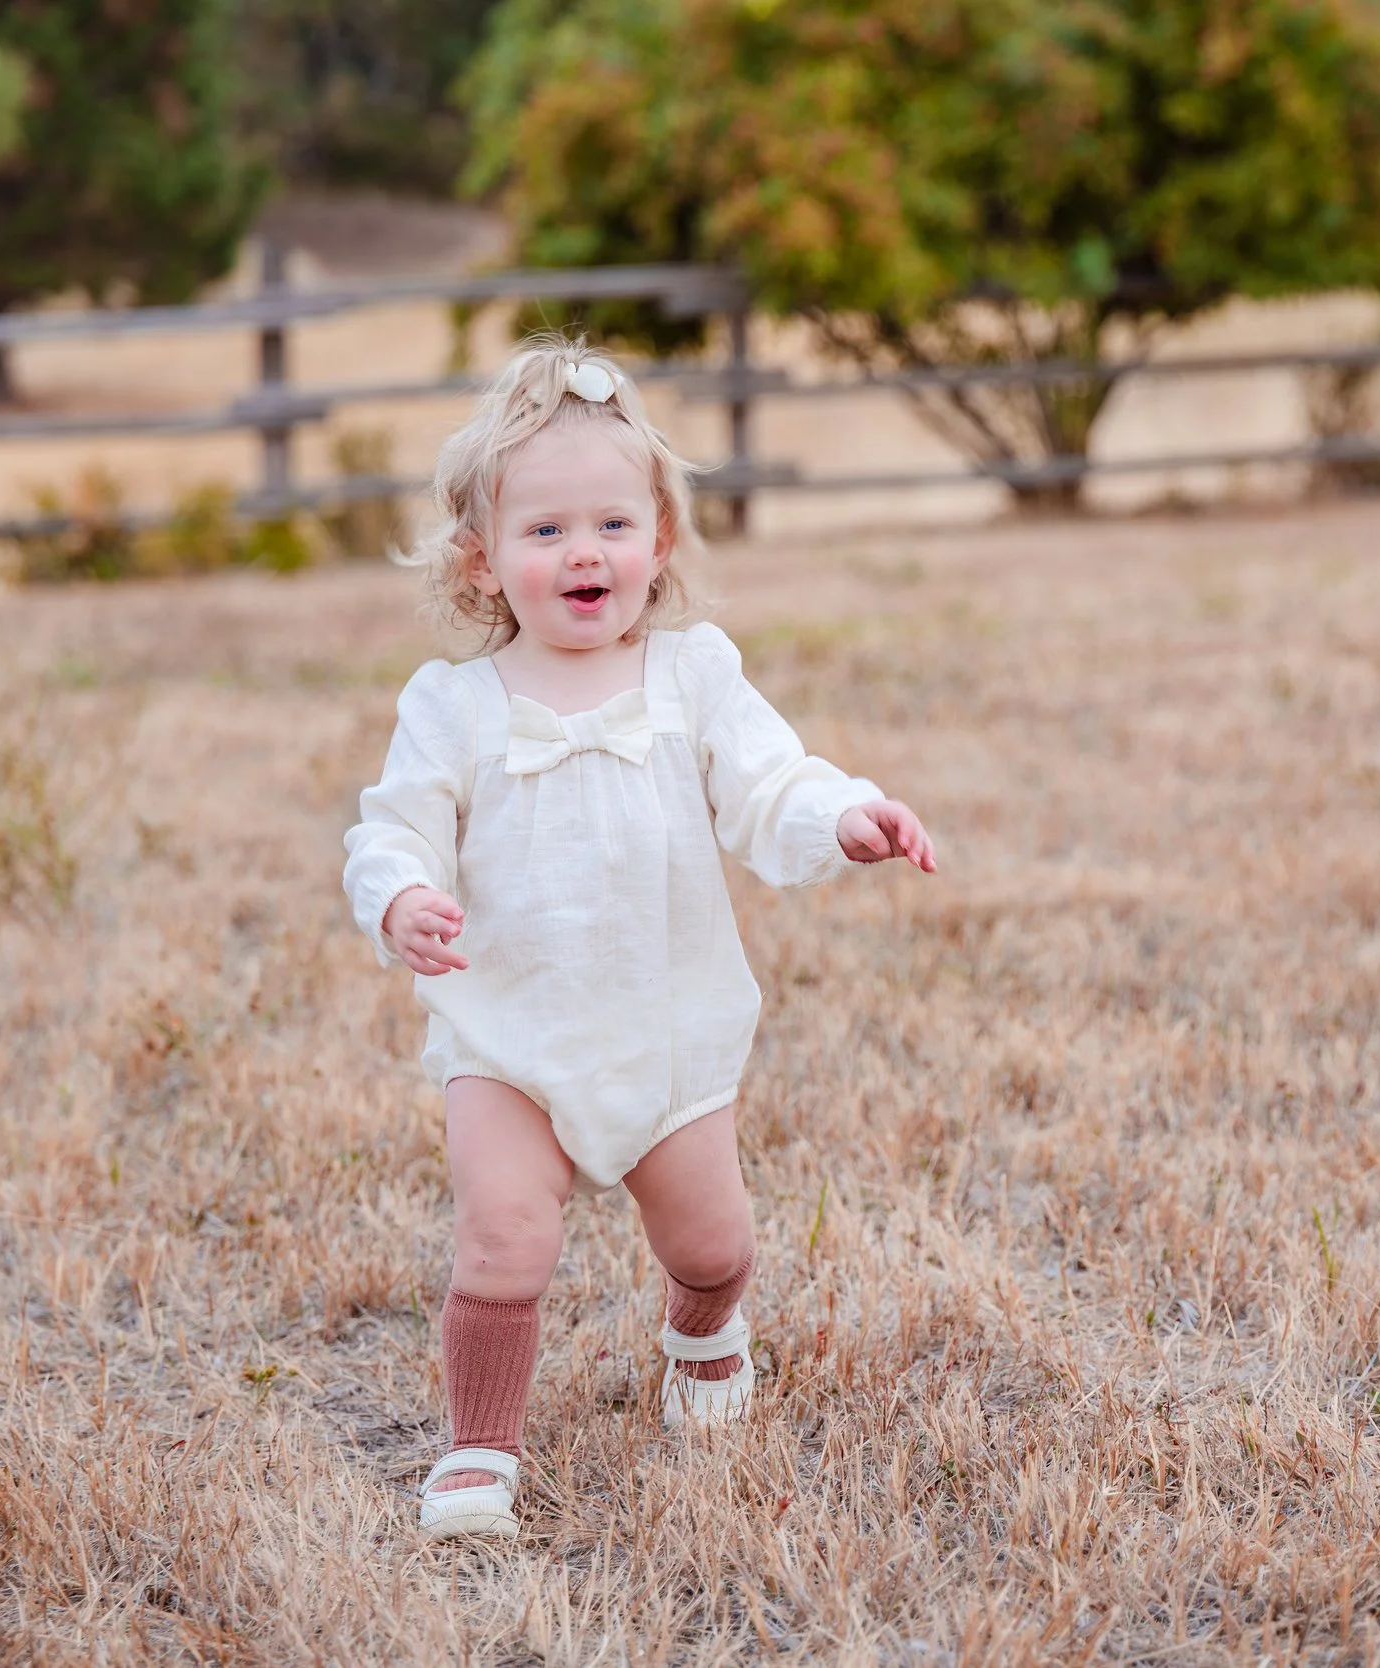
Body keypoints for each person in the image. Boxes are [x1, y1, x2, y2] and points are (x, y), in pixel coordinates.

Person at [342, 336, 937, 1541]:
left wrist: (841, 816)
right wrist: (400, 897)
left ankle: (705, 1331)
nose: (584, 552)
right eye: (546, 530)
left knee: (712, 1242)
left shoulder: (691, 676)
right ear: (482, 558)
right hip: (507, 1032)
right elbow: (390, 829)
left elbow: (771, 782)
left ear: (659, 540)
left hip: (663, 1023)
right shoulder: (452, 704)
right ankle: (479, 1450)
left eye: (612, 524)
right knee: (502, 1239)